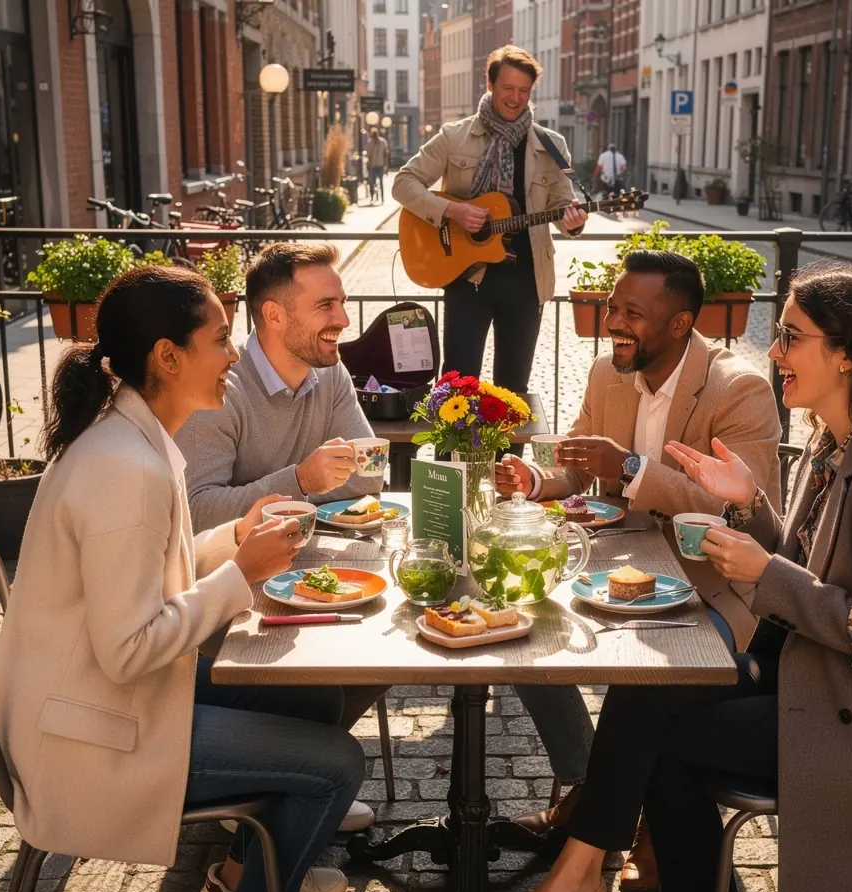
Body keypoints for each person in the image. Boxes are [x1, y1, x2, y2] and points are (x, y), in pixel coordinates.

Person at [490, 263, 852, 892]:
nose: (773, 350)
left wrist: (762, 566)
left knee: (655, 720)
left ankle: (592, 882)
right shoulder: (838, 441)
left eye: (790, 336)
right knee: (656, 688)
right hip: (818, 676)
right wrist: (748, 507)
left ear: (846, 353)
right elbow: (804, 565)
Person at [0, 265, 367, 892]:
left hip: (96, 701)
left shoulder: (131, 437)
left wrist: (234, 539)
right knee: (336, 763)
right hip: (88, 738)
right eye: (221, 339)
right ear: (166, 357)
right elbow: (129, 646)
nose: (234, 355)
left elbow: (149, 575)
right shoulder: (124, 467)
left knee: (316, 696)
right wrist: (238, 576)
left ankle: (242, 881)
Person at [496, 250, 782, 892]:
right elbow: (578, 463)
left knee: (648, 680)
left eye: (632, 313)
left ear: (681, 325)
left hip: (711, 589)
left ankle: (596, 832)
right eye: (611, 308)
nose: (613, 323)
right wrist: (537, 478)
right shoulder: (609, 371)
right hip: (616, 571)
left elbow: (742, 511)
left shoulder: (740, 388)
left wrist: (630, 470)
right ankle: (588, 786)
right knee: (523, 631)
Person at [177, 242, 391, 754]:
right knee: (340, 666)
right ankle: (297, 771)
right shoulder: (221, 385)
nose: (343, 319)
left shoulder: (329, 371)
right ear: (273, 315)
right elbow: (196, 512)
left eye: (340, 302)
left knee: (385, 646)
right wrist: (300, 482)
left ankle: (301, 766)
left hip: (301, 571)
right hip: (224, 594)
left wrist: (324, 479)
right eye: (326, 306)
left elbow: (368, 479)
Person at [393, 44, 587, 394]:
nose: (515, 98)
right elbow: (403, 182)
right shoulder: (455, 137)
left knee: (513, 389)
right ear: (490, 85)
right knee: (458, 386)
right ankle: (454, 452)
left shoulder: (551, 145)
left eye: (523, 91)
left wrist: (573, 222)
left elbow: (562, 204)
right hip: (469, 280)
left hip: (527, 282)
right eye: (508, 88)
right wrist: (452, 210)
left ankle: (506, 452)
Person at [366, 127, 389, 204]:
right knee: (372, 182)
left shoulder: (382, 142)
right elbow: (368, 154)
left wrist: (385, 164)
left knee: (381, 182)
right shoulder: (370, 142)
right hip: (373, 165)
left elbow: (385, 154)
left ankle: (382, 198)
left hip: (380, 165)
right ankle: (373, 197)